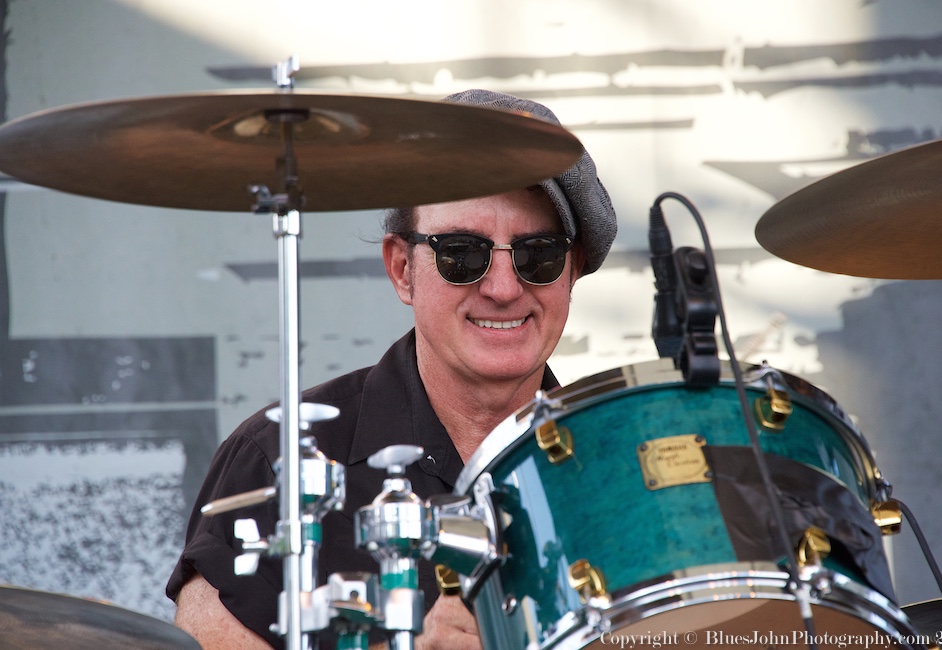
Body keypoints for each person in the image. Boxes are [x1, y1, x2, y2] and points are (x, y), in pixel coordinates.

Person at [166, 88, 617, 650]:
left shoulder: (617, 472)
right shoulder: (276, 459)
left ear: (571, 271)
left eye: (538, 255)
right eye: (461, 254)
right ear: (403, 269)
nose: (503, 288)